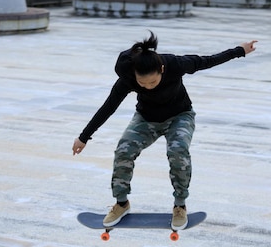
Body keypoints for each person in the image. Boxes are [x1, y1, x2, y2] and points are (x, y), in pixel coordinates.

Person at [72, 32, 257, 230]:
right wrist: (84, 137)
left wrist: (240, 51)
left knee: (178, 152)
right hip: (146, 119)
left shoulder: (176, 64)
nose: (148, 87)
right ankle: (121, 203)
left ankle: (179, 205)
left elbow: (208, 61)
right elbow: (109, 106)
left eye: (153, 82)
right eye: (142, 84)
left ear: (161, 69)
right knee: (123, 150)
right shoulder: (127, 78)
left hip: (180, 116)